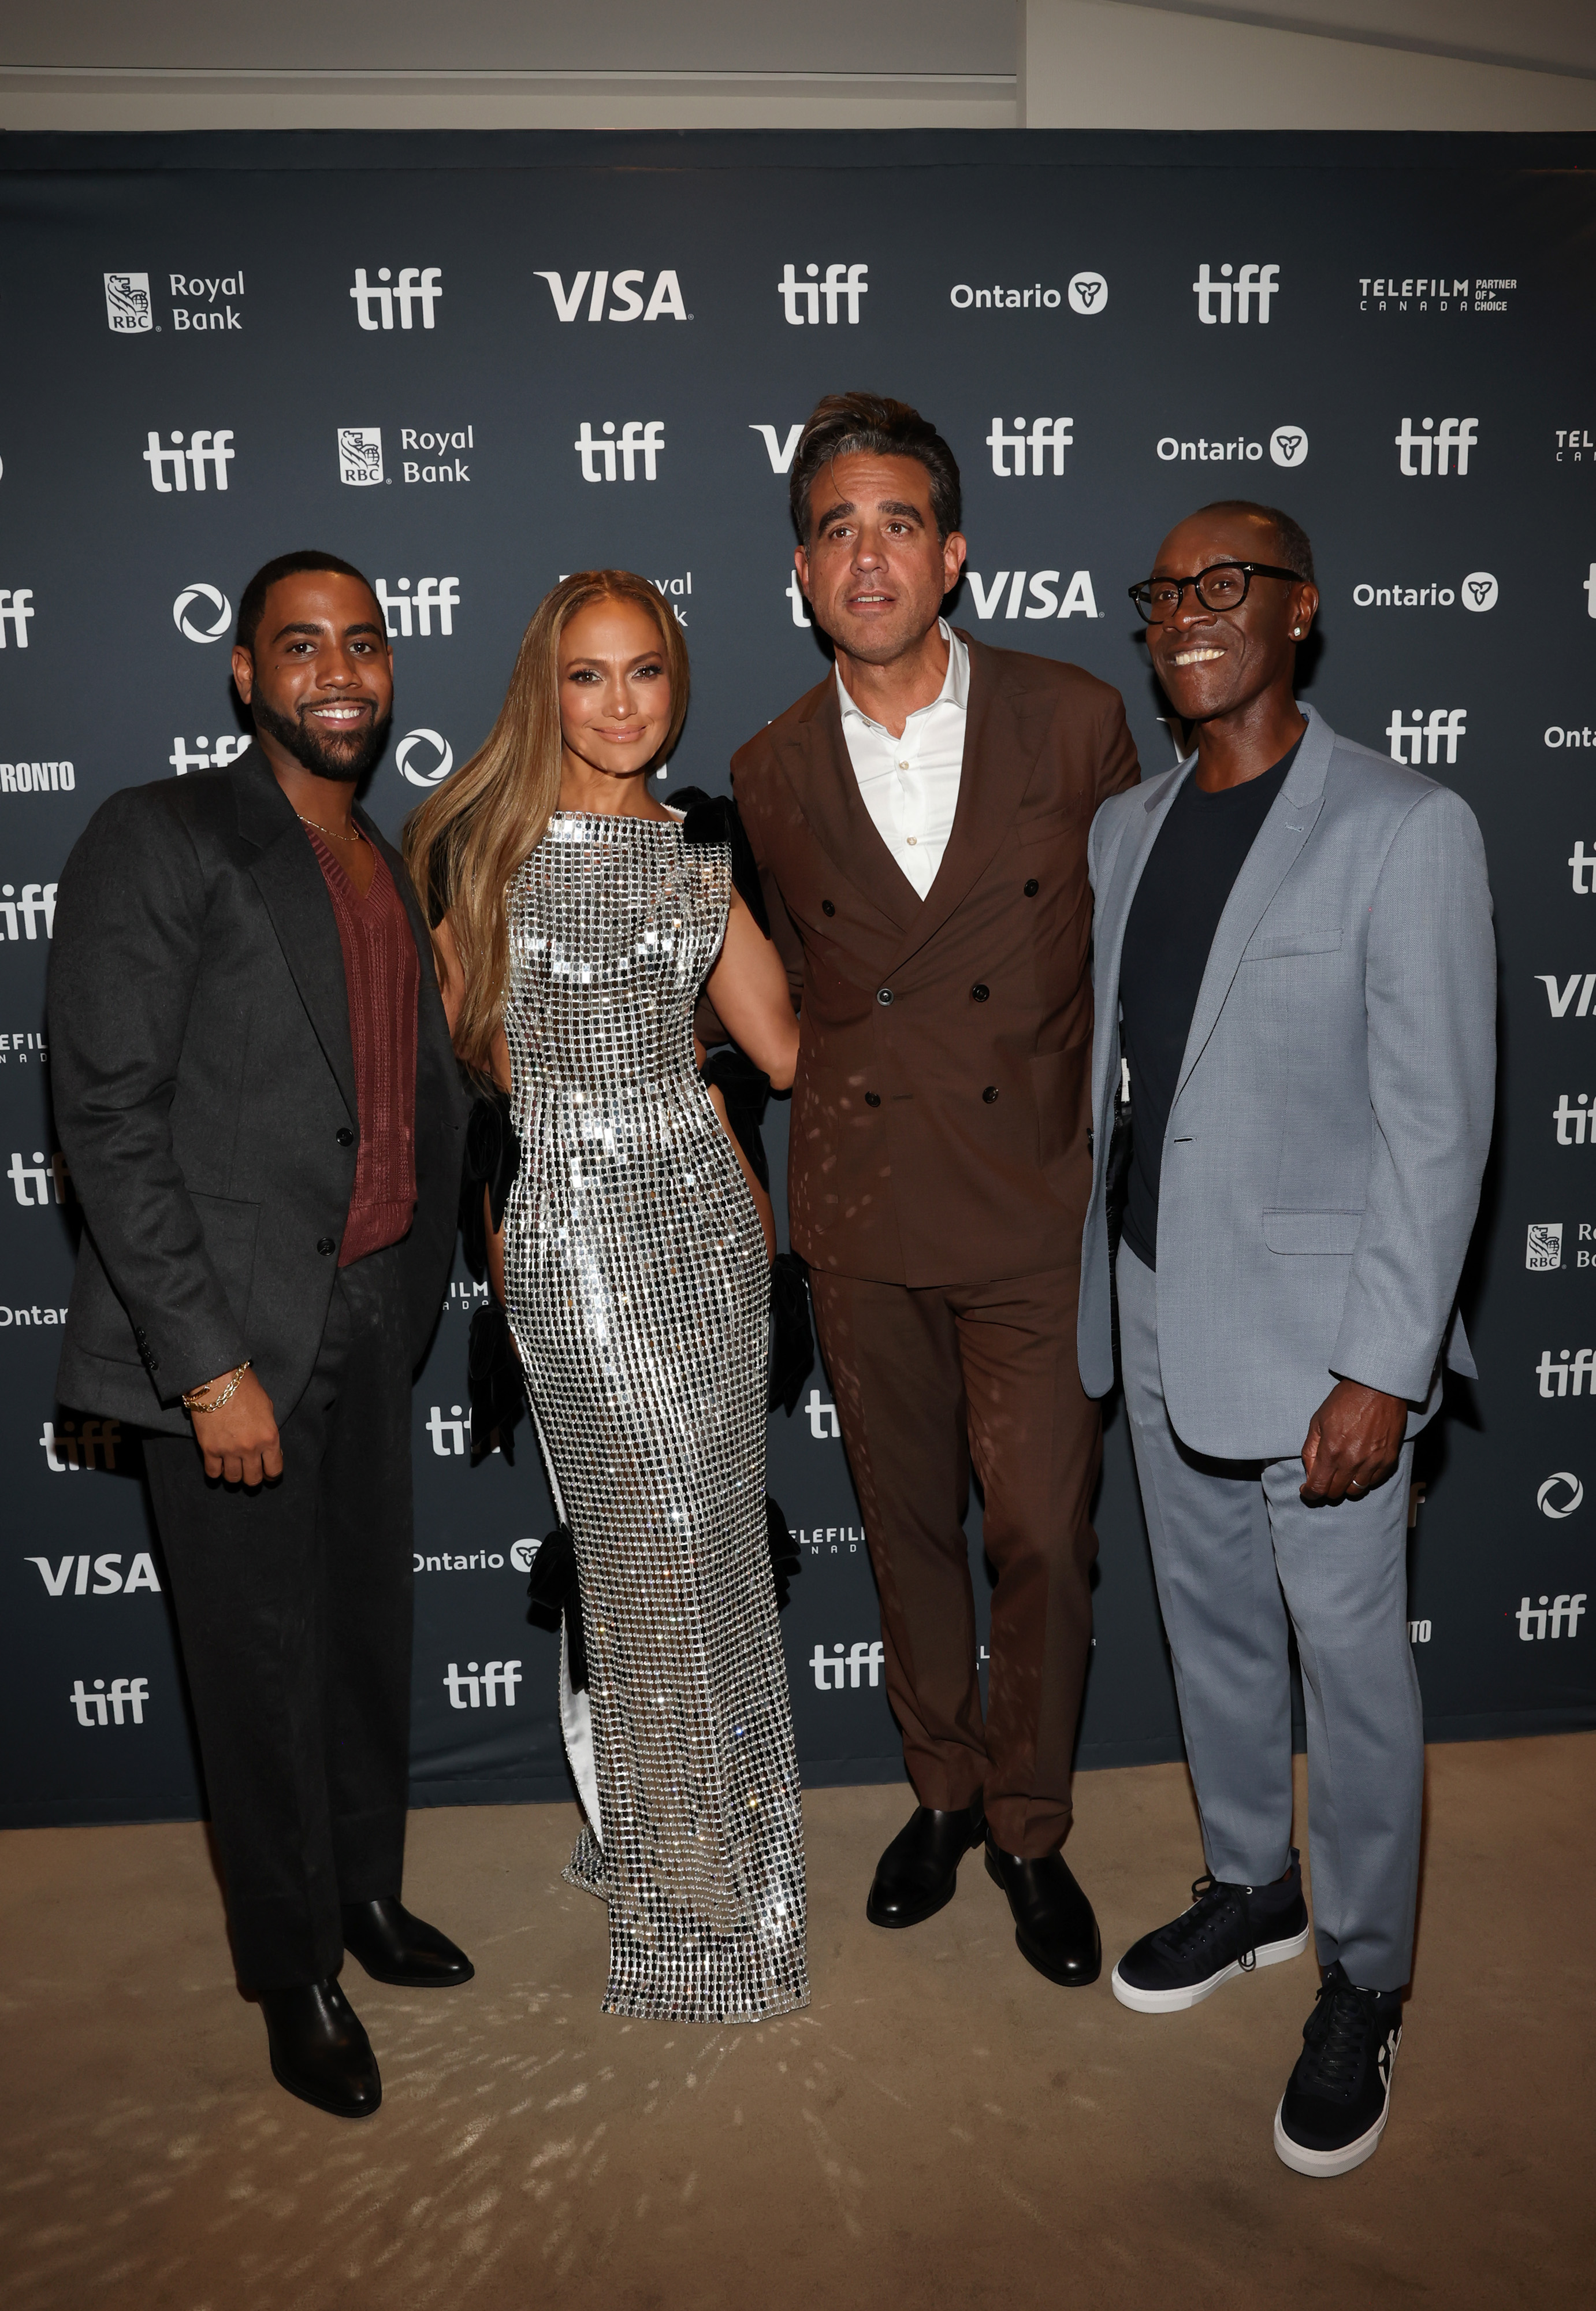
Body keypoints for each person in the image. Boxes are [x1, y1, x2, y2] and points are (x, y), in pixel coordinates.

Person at [1079, 501, 1494, 2174]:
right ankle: (1251, 1886)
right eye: (1164, 594)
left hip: (1325, 1339)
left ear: (1301, 613)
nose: (1188, 614)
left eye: (1226, 585)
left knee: (1349, 1674)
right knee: (1213, 1634)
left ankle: (1366, 1978)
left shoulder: (1405, 826)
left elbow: (1437, 1125)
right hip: (1156, 1299)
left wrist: (1383, 1364)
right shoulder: (1128, 826)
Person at [47, 552, 473, 2119]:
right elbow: (105, 1116)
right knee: (255, 1668)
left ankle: (363, 1893)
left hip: (369, 1309)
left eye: (362, 643)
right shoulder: (159, 838)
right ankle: (289, 1966)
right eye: (302, 647)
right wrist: (205, 1363)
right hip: (230, 1337)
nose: (339, 672)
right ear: (245, 673)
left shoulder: (382, 857)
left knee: (361, 1643)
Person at [724, 392, 1139, 1988]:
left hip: (1035, 1203)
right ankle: (942, 1793)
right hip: (864, 1208)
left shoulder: (1075, 717)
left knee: (1039, 1528)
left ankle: (1029, 1826)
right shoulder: (764, 768)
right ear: (802, 573)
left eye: (896, 521)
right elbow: (783, 1000)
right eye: (834, 527)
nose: (867, 553)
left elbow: (1131, 966)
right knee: (907, 1532)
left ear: (953, 552)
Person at [405, 570, 809, 2024]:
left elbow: (773, 1049)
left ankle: (723, 1867)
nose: (621, 702)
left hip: (702, 1232)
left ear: (675, 682)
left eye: (645, 672)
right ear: (545, 685)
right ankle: (680, 1892)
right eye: (589, 675)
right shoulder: (477, 842)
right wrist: (528, 1220)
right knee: (635, 1565)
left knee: (713, 1561)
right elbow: (471, 1068)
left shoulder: (702, 847)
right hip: (569, 1242)